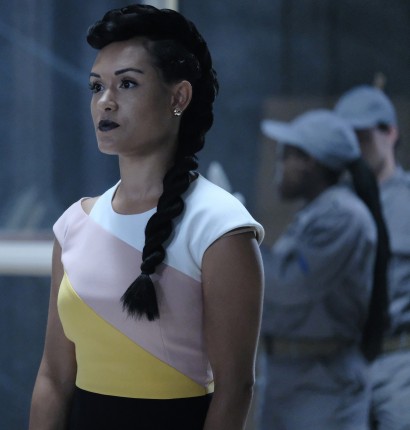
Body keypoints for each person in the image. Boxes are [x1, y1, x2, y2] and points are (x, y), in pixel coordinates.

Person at [29, 5, 265, 430]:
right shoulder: (74, 225)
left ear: (179, 97)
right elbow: (53, 376)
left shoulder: (220, 228)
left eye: (127, 83)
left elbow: (236, 389)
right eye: (96, 86)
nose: (105, 101)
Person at [259, 109, 389, 430]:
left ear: (310, 161)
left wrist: (237, 241)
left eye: (285, 157)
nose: (279, 167)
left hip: (322, 387)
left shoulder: (342, 216)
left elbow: (288, 284)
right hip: (294, 378)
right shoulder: (317, 214)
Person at [335, 85, 410, 430]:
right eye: (346, 140)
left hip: (400, 361)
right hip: (343, 365)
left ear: (390, 133)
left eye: (363, 137)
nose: (355, 149)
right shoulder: (333, 206)